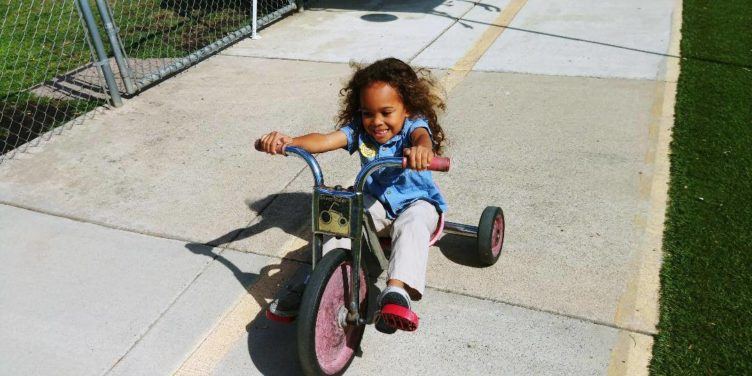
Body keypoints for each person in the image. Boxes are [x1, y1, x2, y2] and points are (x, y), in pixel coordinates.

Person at [257, 57, 447, 333]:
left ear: (406, 108)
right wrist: (290, 141)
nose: (377, 122)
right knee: (342, 218)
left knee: (414, 222)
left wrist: (422, 151)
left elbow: (422, 138)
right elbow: (323, 140)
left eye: (386, 112)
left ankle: (396, 293)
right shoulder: (359, 129)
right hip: (377, 203)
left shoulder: (412, 126)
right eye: (368, 113)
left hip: (417, 202)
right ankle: (315, 283)